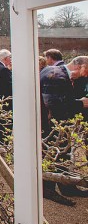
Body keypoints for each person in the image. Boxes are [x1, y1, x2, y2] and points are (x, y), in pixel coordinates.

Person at [41, 55, 88, 204]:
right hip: (52, 125)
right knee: (54, 154)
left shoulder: (56, 71)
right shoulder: (56, 76)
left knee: (63, 155)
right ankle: (49, 189)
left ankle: (66, 186)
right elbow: (53, 104)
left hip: (58, 124)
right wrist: (81, 104)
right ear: (79, 65)